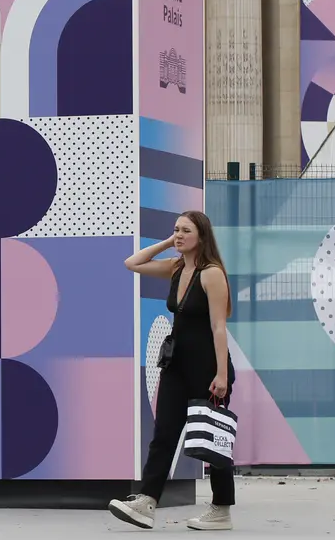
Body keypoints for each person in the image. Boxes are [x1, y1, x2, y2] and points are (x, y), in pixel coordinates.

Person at [108, 210, 236, 531]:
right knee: (164, 435)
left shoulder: (211, 273)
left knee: (212, 439)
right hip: (176, 365)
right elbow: (132, 263)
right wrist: (168, 243)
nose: (178, 235)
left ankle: (221, 509)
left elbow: (219, 327)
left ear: (202, 237)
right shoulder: (177, 268)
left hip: (207, 368)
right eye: (175, 230)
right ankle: (147, 502)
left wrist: (221, 375)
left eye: (185, 231)